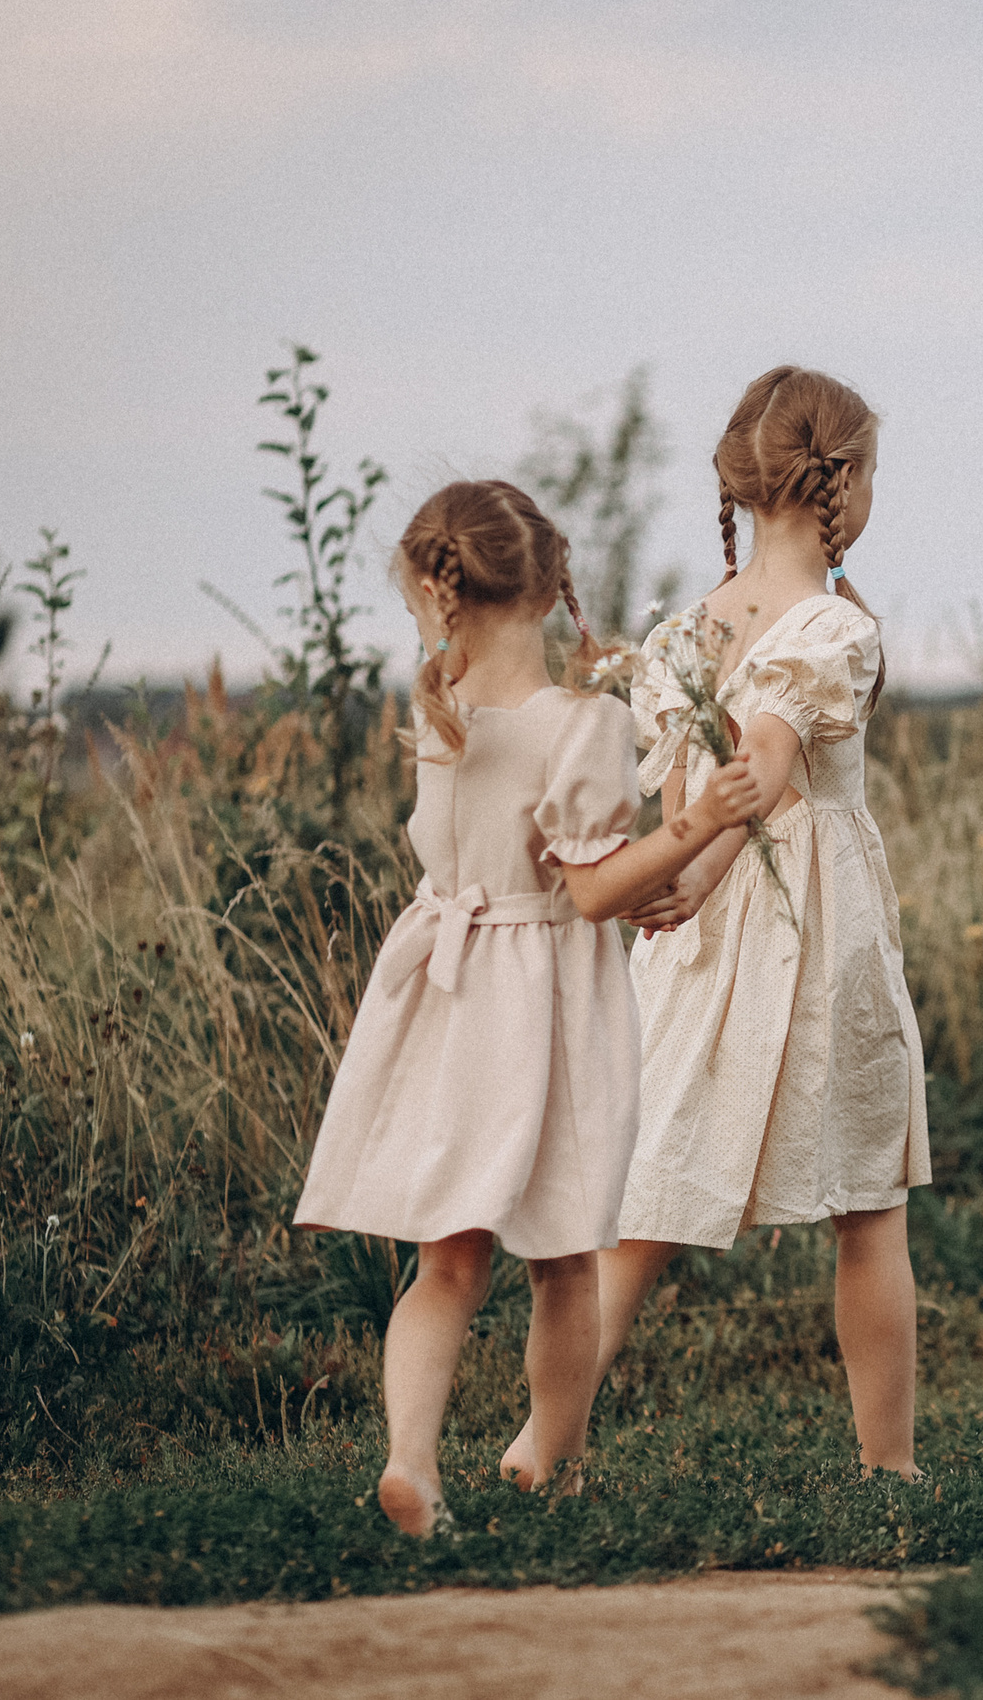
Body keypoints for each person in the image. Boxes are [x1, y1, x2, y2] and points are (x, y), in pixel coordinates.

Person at [294, 479, 758, 1537]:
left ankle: (412, 1456)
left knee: (446, 1259)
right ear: (555, 586)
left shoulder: (441, 710)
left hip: (443, 996)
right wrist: (697, 825)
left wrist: (654, 854)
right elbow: (590, 891)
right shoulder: (581, 725)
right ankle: (555, 1457)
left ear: (435, 589)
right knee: (562, 1254)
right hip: (540, 1008)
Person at [502, 366, 931, 1484]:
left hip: (691, 925)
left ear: (747, 483)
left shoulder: (687, 630)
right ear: (846, 482)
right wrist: (710, 864)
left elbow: (687, 778)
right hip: (809, 927)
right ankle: (888, 1465)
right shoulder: (829, 626)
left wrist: (676, 864)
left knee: (640, 1197)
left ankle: (542, 1445)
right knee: (868, 1201)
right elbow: (768, 765)